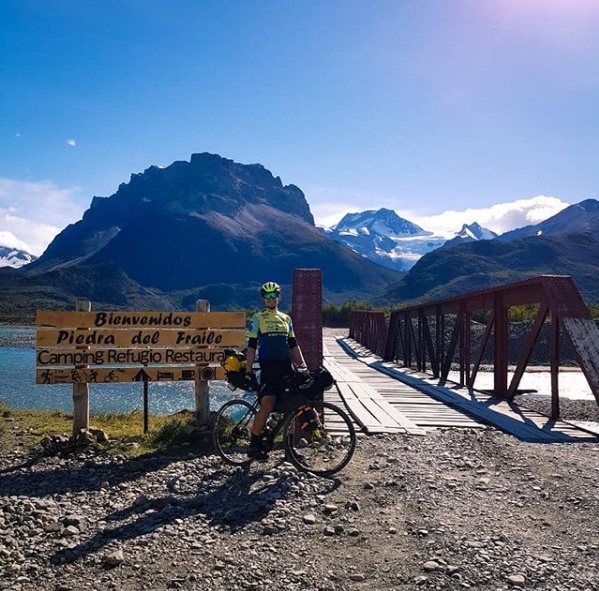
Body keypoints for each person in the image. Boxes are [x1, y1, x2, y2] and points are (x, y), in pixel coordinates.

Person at [245, 281, 308, 459]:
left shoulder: (286, 319)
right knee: (268, 405)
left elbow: (294, 345)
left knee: (292, 405)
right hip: (268, 368)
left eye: (274, 296)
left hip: (285, 368)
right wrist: (248, 370)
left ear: (279, 297)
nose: (271, 299)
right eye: (267, 296)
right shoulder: (257, 318)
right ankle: (254, 445)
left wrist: (303, 367)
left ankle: (289, 448)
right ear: (263, 299)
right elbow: (251, 346)